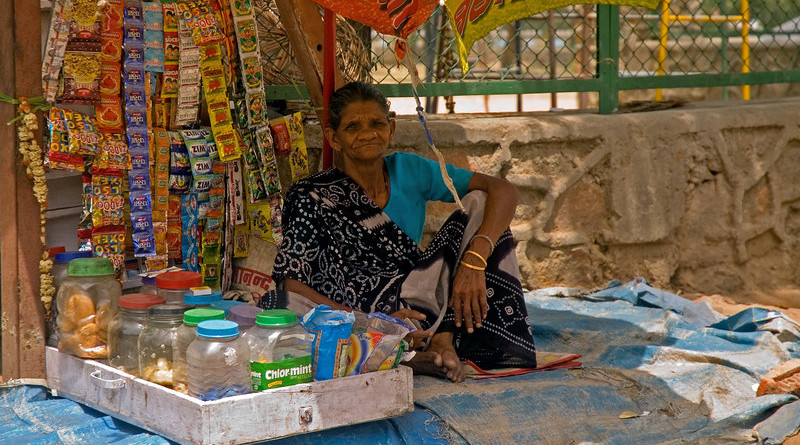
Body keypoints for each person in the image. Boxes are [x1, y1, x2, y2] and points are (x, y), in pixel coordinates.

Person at [265, 81, 536, 382]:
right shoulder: (311, 194)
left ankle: (436, 340)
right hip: (355, 314)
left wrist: (475, 261)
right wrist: (371, 321)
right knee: (281, 304)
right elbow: (291, 282)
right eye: (353, 126)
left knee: (483, 203)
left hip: (416, 300)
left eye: (377, 123)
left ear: (391, 129)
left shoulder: (410, 170)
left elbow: (502, 189)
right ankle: (410, 352)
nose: (367, 133)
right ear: (334, 138)